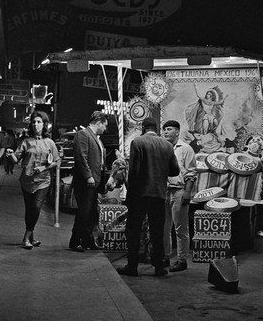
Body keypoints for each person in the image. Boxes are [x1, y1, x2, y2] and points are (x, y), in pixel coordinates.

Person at [117, 117, 180, 277]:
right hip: (159, 195)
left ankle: (132, 266)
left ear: (143, 128)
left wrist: (129, 195)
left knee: (134, 231)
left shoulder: (138, 142)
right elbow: (175, 171)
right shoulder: (167, 145)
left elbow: (134, 171)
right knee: (157, 232)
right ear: (156, 128)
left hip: (140, 194)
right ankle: (159, 267)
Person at [6, 111, 60, 249]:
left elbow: (56, 162)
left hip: (43, 181)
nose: (36, 124)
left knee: (36, 207)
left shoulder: (50, 143)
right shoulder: (26, 142)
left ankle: (25, 238)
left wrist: (43, 168)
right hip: (27, 181)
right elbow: (16, 160)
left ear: (44, 125)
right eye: (34, 122)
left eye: (39, 122)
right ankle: (32, 237)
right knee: (30, 209)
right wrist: (10, 155)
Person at [69, 111, 108, 252]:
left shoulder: (96, 138)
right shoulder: (83, 134)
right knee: (84, 212)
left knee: (92, 213)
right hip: (86, 182)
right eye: (105, 125)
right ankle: (75, 241)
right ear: (99, 123)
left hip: (95, 182)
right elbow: (81, 157)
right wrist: (88, 176)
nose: (105, 129)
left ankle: (87, 240)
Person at [162, 120, 197, 272]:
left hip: (179, 191)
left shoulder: (186, 149)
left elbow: (191, 173)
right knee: (164, 227)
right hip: (164, 191)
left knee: (181, 228)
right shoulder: (162, 148)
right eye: (164, 130)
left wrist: (188, 192)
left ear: (177, 132)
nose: (165, 132)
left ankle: (182, 260)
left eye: (169, 129)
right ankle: (165, 256)